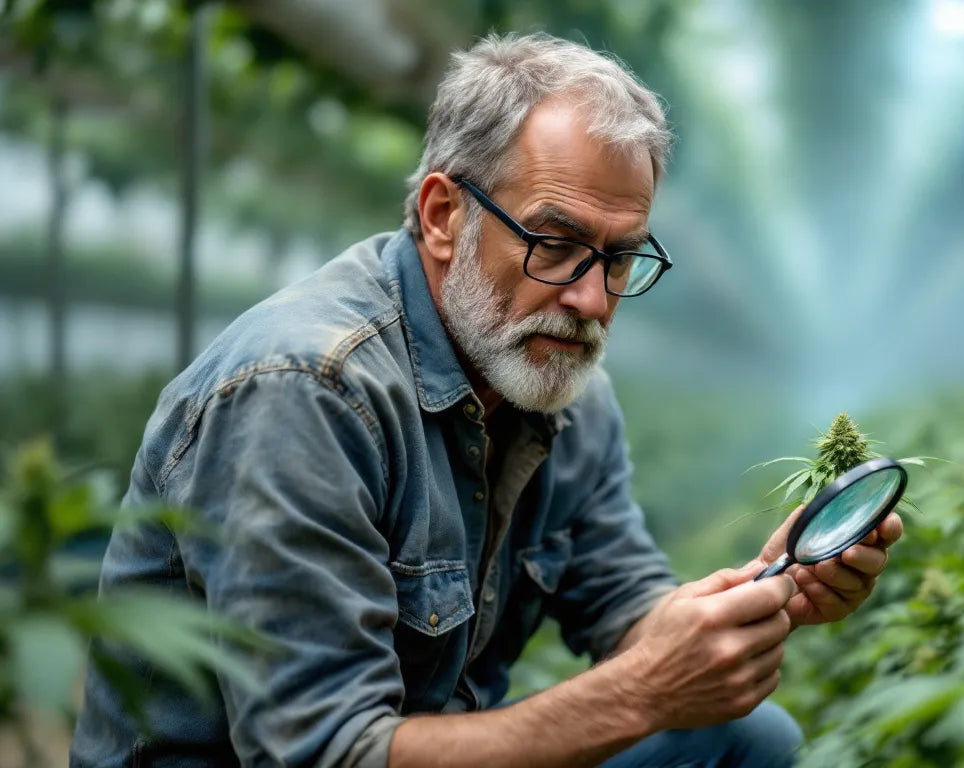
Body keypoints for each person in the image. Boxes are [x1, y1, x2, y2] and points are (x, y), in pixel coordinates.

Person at [70, 33, 902, 768]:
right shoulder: (306, 391)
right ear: (442, 215)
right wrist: (640, 695)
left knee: (750, 740)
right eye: (556, 244)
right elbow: (327, 752)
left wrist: (757, 598)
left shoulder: (565, 389)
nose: (591, 299)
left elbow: (620, 601)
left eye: (618, 259)